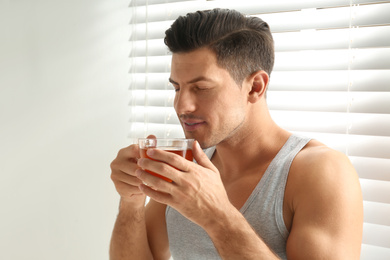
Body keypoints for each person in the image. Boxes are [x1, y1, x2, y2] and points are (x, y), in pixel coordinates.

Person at [109, 8, 363, 260]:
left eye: (201, 88)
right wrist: (131, 202)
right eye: (177, 88)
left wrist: (217, 217)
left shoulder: (321, 171)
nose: (182, 106)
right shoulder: (186, 166)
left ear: (255, 87)